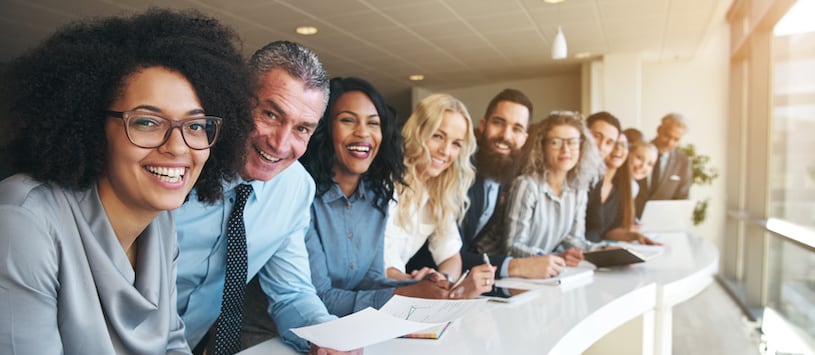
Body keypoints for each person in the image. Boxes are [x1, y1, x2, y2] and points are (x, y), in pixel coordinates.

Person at [0, 9, 252, 354]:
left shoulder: (160, 221)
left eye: (195, 126)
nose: (177, 147)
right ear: (91, 125)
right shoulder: (23, 219)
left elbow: (172, 341)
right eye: (147, 122)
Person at [174, 41, 355, 354]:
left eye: (302, 129)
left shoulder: (296, 188)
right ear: (238, 101)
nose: (281, 144)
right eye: (271, 114)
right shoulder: (179, 163)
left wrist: (325, 335)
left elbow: (292, 293)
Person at [300, 77, 458, 317]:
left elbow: (370, 279)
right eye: (347, 120)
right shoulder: (304, 198)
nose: (363, 132)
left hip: (345, 329)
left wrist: (426, 286)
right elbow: (319, 297)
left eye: (373, 123)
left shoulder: (377, 198)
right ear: (325, 128)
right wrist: (403, 294)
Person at [408, 89, 565, 279]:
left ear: (524, 138)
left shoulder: (503, 175)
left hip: (448, 280)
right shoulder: (452, 171)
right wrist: (515, 266)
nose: (505, 135)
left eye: (516, 129)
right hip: (414, 277)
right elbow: (441, 254)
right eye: (498, 123)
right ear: (483, 125)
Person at [383, 93, 494, 296]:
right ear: (418, 132)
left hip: (402, 295)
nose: (445, 151)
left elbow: (451, 257)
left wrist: (446, 279)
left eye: (456, 143)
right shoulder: (384, 184)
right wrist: (417, 281)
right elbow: (378, 269)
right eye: (438, 136)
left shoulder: (438, 192)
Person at [483, 112, 605, 267]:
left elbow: (572, 239)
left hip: (544, 271)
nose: (566, 150)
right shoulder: (527, 185)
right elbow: (512, 247)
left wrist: (602, 250)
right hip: (506, 272)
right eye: (556, 142)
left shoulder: (579, 188)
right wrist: (550, 257)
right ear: (542, 146)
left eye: (573, 142)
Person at [634, 113, 692, 217]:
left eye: (676, 139)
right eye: (667, 136)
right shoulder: (637, 151)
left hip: (662, 221)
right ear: (659, 130)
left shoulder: (683, 162)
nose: (670, 143)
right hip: (629, 219)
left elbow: (682, 199)